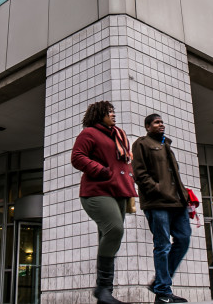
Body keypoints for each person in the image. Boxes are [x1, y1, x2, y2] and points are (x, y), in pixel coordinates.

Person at [71, 101, 136, 304]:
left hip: (118, 191)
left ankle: (105, 295)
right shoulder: (89, 133)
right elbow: (77, 157)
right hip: (96, 191)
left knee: (109, 239)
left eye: (114, 111)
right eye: (109, 112)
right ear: (99, 115)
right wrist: (101, 170)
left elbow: (125, 163)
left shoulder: (119, 135)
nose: (113, 115)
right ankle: (103, 289)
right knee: (115, 230)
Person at [132, 113, 190, 304]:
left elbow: (175, 176)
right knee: (163, 246)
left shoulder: (167, 145)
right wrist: (157, 190)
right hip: (157, 203)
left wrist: (185, 197)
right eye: (157, 122)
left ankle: (159, 282)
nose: (161, 124)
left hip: (178, 203)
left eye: (162, 122)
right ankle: (163, 292)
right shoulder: (142, 144)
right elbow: (139, 174)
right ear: (148, 127)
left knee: (183, 239)